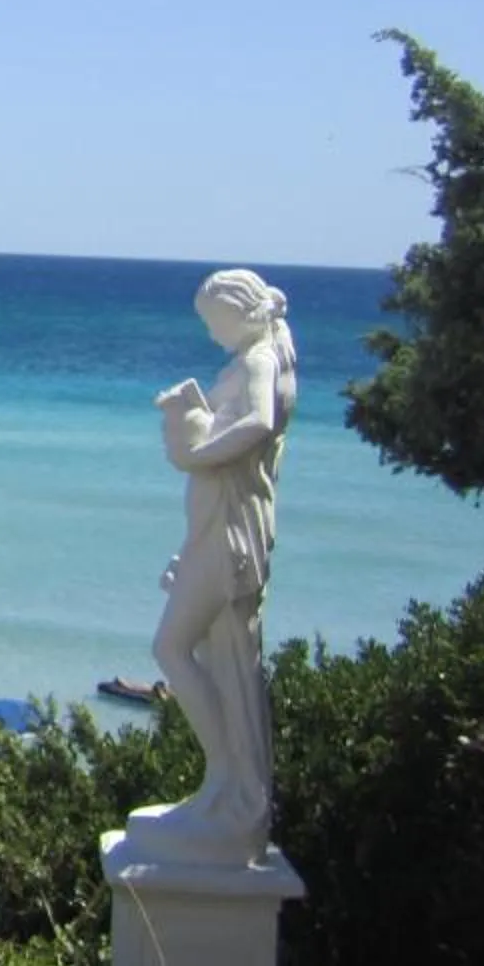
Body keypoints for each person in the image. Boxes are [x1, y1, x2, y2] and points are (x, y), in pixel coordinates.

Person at [127, 268, 296, 865]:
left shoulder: (257, 361)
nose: (208, 328)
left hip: (230, 536)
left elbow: (257, 423)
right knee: (216, 656)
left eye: (212, 317)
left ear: (240, 311)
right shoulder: (253, 356)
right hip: (216, 531)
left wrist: (197, 450)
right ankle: (227, 789)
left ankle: (230, 785)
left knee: (172, 648)